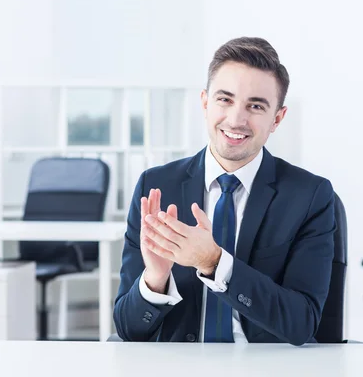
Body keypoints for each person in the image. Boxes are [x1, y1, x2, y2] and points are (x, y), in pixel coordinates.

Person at [113, 37, 336, 346]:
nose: (236, 120)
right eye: (225, 99)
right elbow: (129, 330)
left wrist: (215, 263)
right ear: (205, 103)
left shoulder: (310, 196)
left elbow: (301, 323)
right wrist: (155, 280)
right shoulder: (156, 186)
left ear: (277, 119)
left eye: (255, 106)